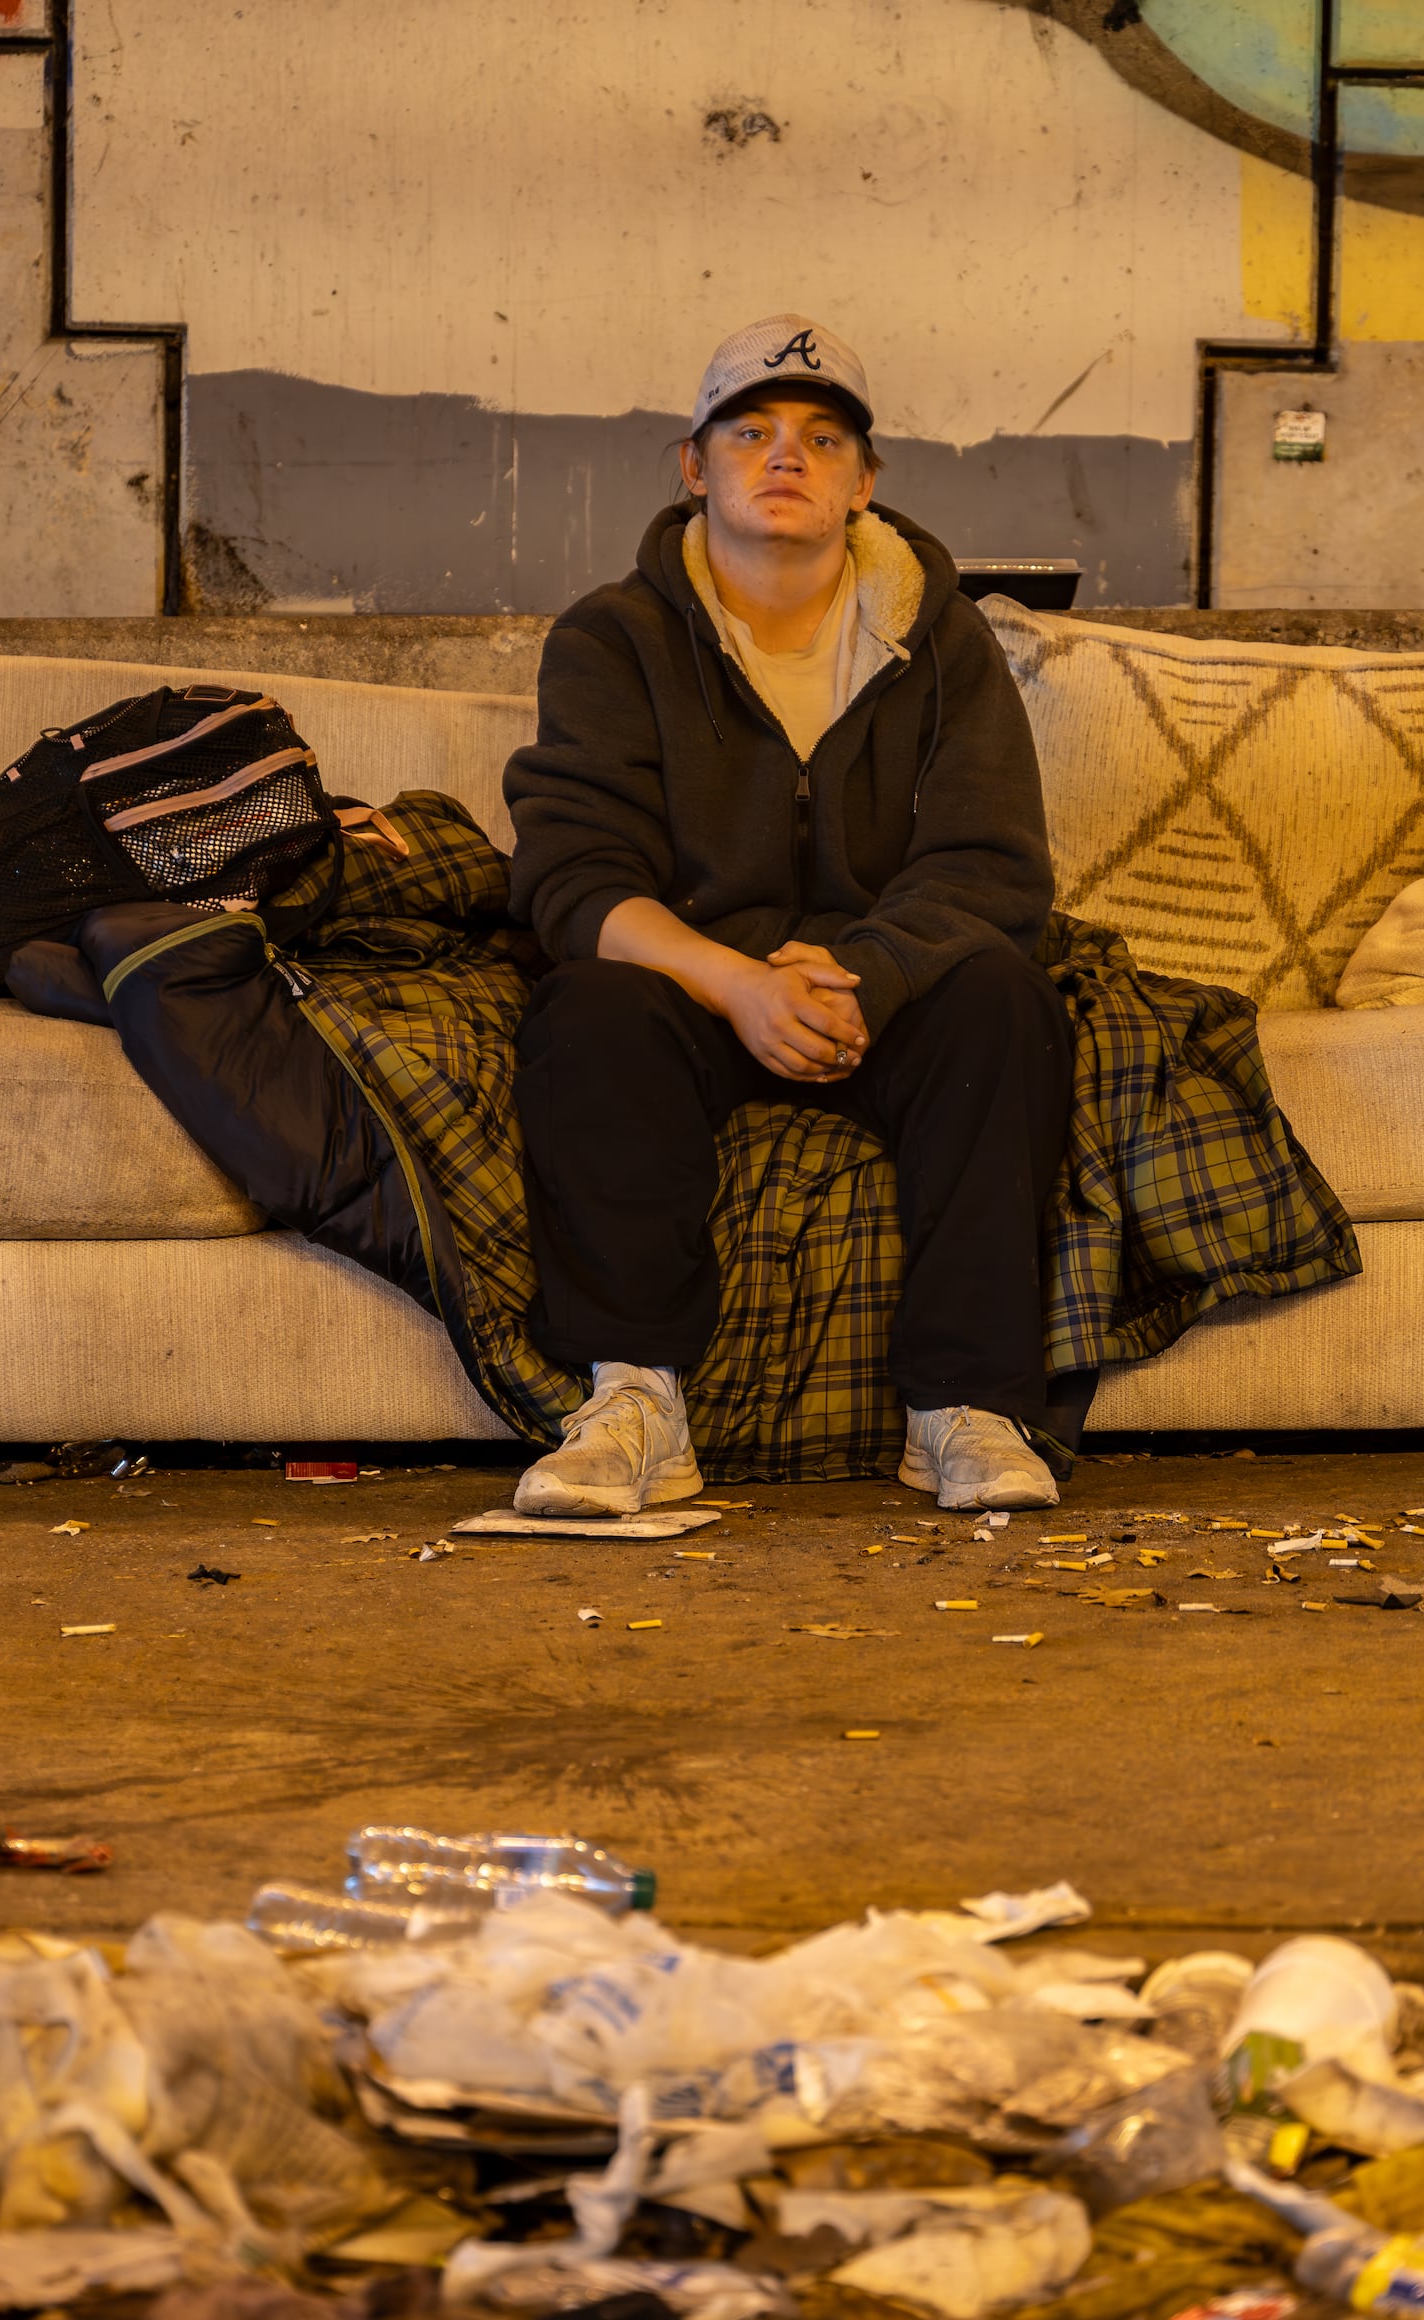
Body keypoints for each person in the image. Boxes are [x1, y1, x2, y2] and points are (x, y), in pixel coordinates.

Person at [501, 315, 1070, 1518]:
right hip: (701, 988)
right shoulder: (614, 638)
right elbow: (573, 876)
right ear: (693, 466)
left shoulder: (944, 637)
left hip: (881, 991)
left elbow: (993, 863)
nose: (785, 456)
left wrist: (861, 971)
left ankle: (965, 1404)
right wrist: (738, 984)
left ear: (864, 483)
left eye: (822, 438)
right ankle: (634, 1399)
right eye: (749, 431)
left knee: (1003, 998)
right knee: (588, 1009)